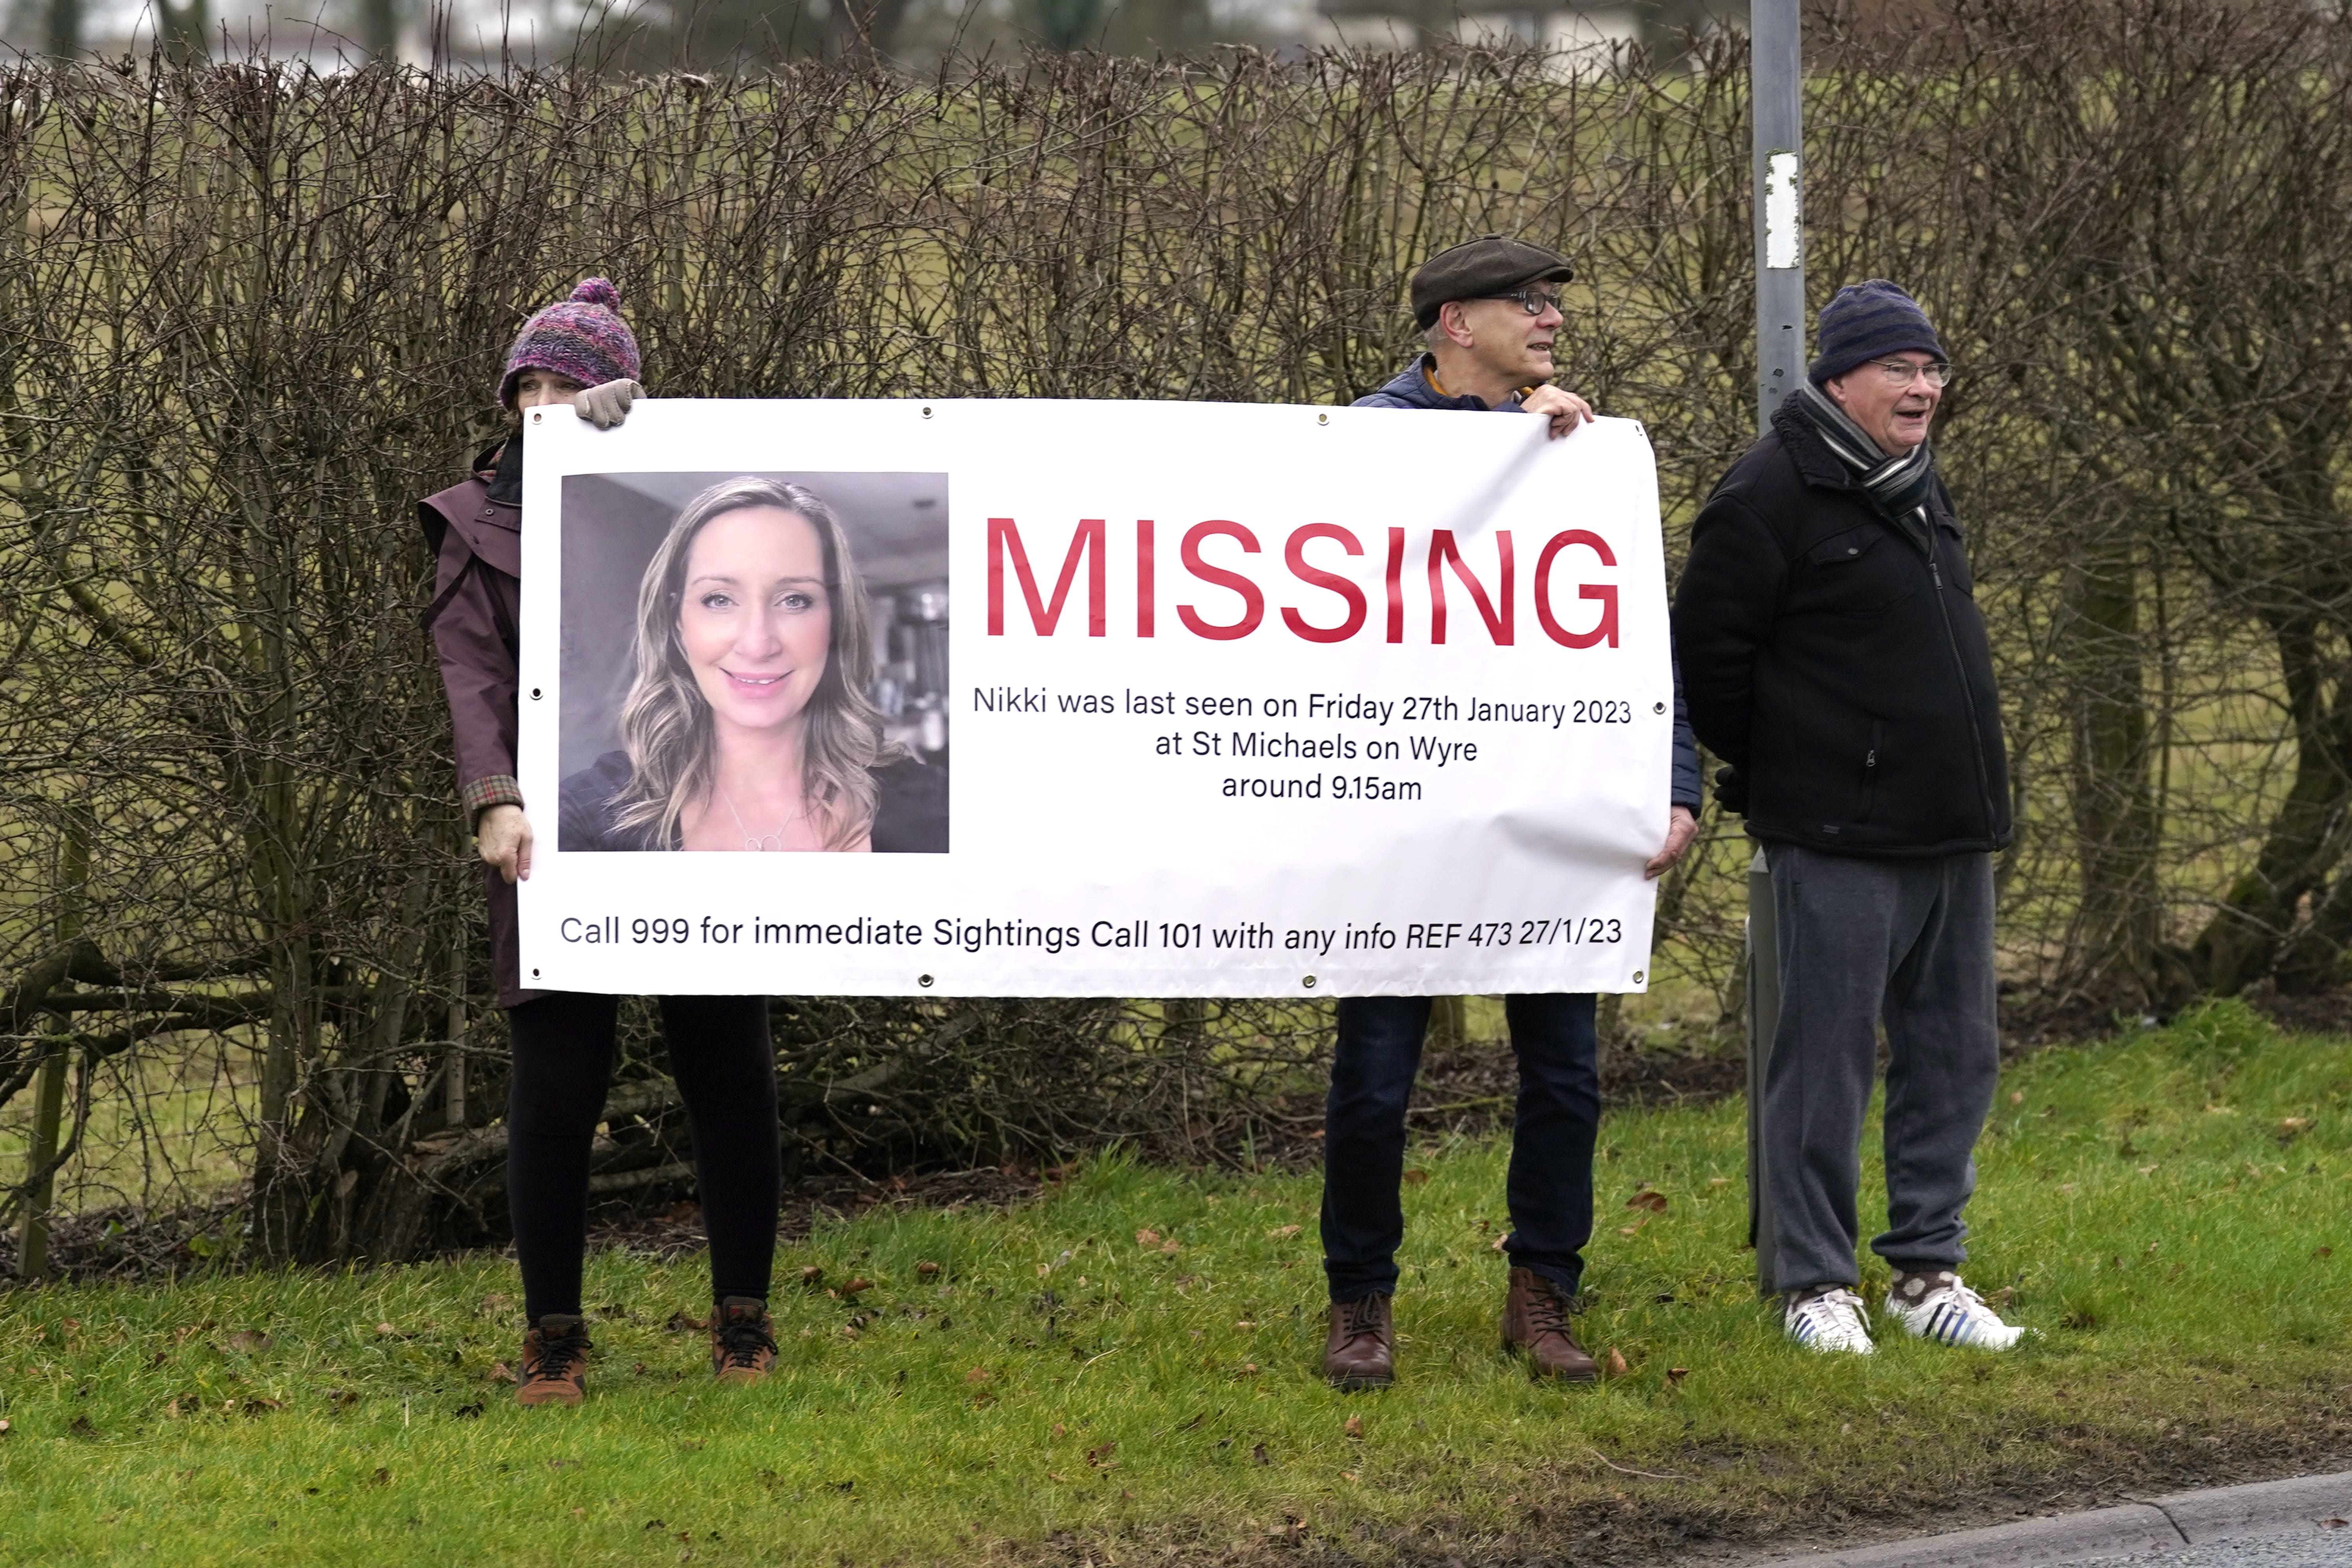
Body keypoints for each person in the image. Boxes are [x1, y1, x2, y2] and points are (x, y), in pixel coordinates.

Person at [1321, 236, 1704, 1390]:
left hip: (1544, 811)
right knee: (1375, 1074)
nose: (1546, 317)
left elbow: (1630, 634)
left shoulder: (1574, 456)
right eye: (1523, 302)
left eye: (1550, 303)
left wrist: (1671, 781)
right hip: (1399, 810)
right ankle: (1358, 1304)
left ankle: (1541, 1295)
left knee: (1565, 1072)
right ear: (1450, 321)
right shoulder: (1351, 448)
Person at [419, 279, 786, 1407]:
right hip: (549, 830)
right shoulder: (473, 523)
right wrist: (494, 796)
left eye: (566, 388)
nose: (541, 404)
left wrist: (657, 449)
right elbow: (468, 666)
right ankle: (554, 1338)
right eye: (527, 385)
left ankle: (743, 1322)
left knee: (728, 1069)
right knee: (557, 1085)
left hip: (694, 821)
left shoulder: (671, 498)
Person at [1673, 279, 2025, 1355]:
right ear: (1840, 380)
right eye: (1900, 370)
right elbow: (1708, 666)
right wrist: (1804, 767)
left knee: (1954, 1054)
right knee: (1824, 1058)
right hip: (1835, 831)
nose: (1923, 389)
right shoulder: (1769, 491)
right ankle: (1814, 1284)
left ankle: (1928, 1272)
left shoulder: (1916, 481)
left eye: (1933, 371)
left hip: (1951, 824)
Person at [556, 477, 947, 854]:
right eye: (719, 600)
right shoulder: (584, 817)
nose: (758, 644)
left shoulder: (940, 809)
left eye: (794, 600)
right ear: (678, 623)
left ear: (835, 621)